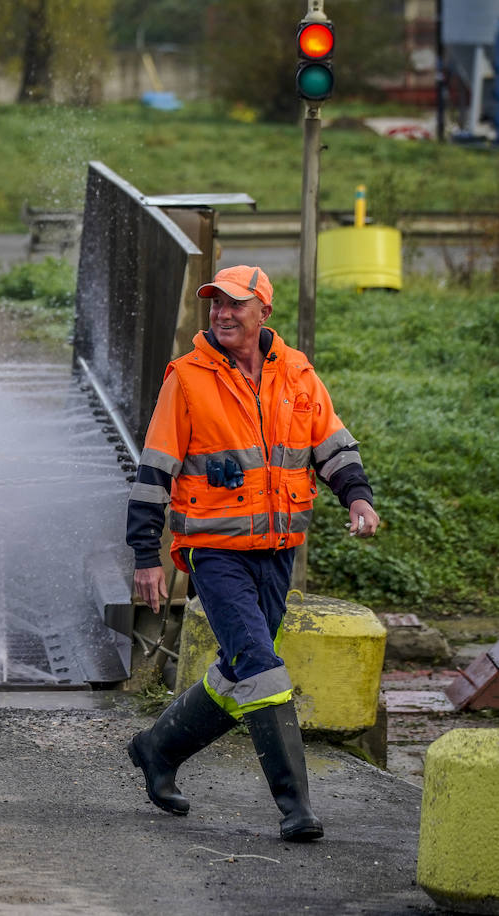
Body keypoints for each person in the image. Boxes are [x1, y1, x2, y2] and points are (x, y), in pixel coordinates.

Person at [124, 264, 380, 842]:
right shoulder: (186, 379)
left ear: (264, 312)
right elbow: (153, 471)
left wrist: (357, 498)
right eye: (215, 304)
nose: (223, 313)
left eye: (236, 305)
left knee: (240, 666)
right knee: (263, 669)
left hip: (276, 549)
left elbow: (331, 444)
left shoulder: (297, 373)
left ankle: (157, 749)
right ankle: (296, 808)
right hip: (214, 552)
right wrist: (146, 555)